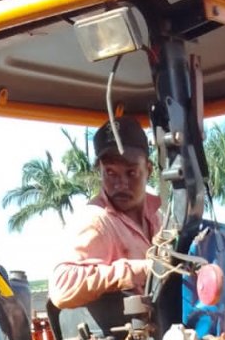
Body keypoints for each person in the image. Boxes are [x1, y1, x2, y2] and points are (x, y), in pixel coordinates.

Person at [48, 117, 161, 310]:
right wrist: (141, 270)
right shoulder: (96, 220)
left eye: (131, 173)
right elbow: (61, 287)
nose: (121, 184)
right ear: (99, 170)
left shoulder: (160, 219)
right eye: (110, 173)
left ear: (148, 169)